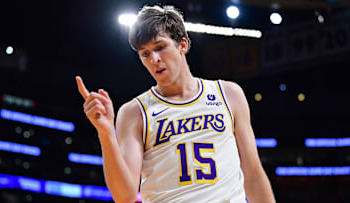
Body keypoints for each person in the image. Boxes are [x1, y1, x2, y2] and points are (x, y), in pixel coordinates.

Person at [76, 4, 276, 203]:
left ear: (182, 45)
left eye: (160, 47)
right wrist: (106, 133)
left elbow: (253, 175)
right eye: (145, 53)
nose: (154, 59)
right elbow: (124, 196)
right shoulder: (134, 112)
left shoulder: (229, 94)